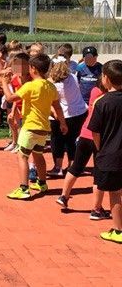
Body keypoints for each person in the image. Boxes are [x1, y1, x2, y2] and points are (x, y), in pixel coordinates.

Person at [0, 53, 67, 200]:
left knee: (22, 156)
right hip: (43, 128)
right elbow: (57, 107)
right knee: (38, 155)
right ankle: (42, 183)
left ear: (33, 69)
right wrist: (62, 122)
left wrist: (4, 83)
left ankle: (24, 188)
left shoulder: (30, 86)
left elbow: (11, 98)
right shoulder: (50, 86)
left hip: (30, 127)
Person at [56, 82, 111, 220]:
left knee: (76, 167)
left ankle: (64, 196)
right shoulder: (109, 99)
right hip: (99, 137)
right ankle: (96, 209)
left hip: (84, 134)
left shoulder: (94, 91)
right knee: (98, 173)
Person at [88, 60, 122, 244]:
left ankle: (118, 230)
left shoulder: (102, 102)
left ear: (106, 79)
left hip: (111, 154)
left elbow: (95, 131)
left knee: (115, 193)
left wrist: (101, 150)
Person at [47, 55, 88, 177]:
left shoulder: (51, 83)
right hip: (79, 113)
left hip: (62, 115)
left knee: (57, 141)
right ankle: (73, 166)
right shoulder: (73, 77)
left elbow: (52, 101)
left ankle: (58, 167)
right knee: (71, 140)